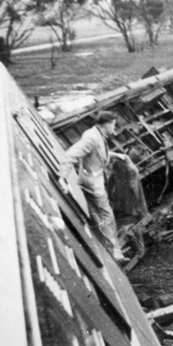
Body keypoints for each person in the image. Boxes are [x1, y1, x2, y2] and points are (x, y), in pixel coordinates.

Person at [59, 110, 127, 262]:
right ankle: (115, 253)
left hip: (93, 181)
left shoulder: (97, 135)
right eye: (113, 126)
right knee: (107, 216)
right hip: (92, 184)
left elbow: (99, 154)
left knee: (98, 216)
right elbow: (71, 155)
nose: (114, 129)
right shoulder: (91, 138)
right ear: (107, 124)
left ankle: (109, 249)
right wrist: (62, 177)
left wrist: (117, 155)